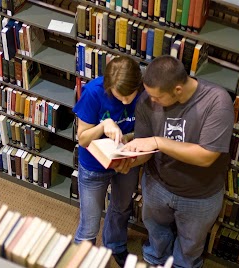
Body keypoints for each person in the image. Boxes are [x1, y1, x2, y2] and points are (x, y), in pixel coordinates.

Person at [117, 55, 234, 268]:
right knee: (156, 232)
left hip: (200, 194)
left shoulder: (217, 102)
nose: (151, 101)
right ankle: (156, 259)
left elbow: (206, 156)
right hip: (157, 185)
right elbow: (146, 149)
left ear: (177, 90)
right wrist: (128, 161)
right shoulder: (146, 100)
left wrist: (159, 142)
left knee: (190, 244)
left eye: (157, 97)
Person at [73, 56, 143, 267]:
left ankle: (115, 245)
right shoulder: (94, 92)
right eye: (118, 96)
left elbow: (145, 132)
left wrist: (127, 139)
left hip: (126, 161)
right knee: (90, 222)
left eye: (128, 96)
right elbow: (83, 138)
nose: (124, 102)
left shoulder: (145, 94)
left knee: (121, 209)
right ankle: (82, 259)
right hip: (94, 166)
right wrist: (103, 126)